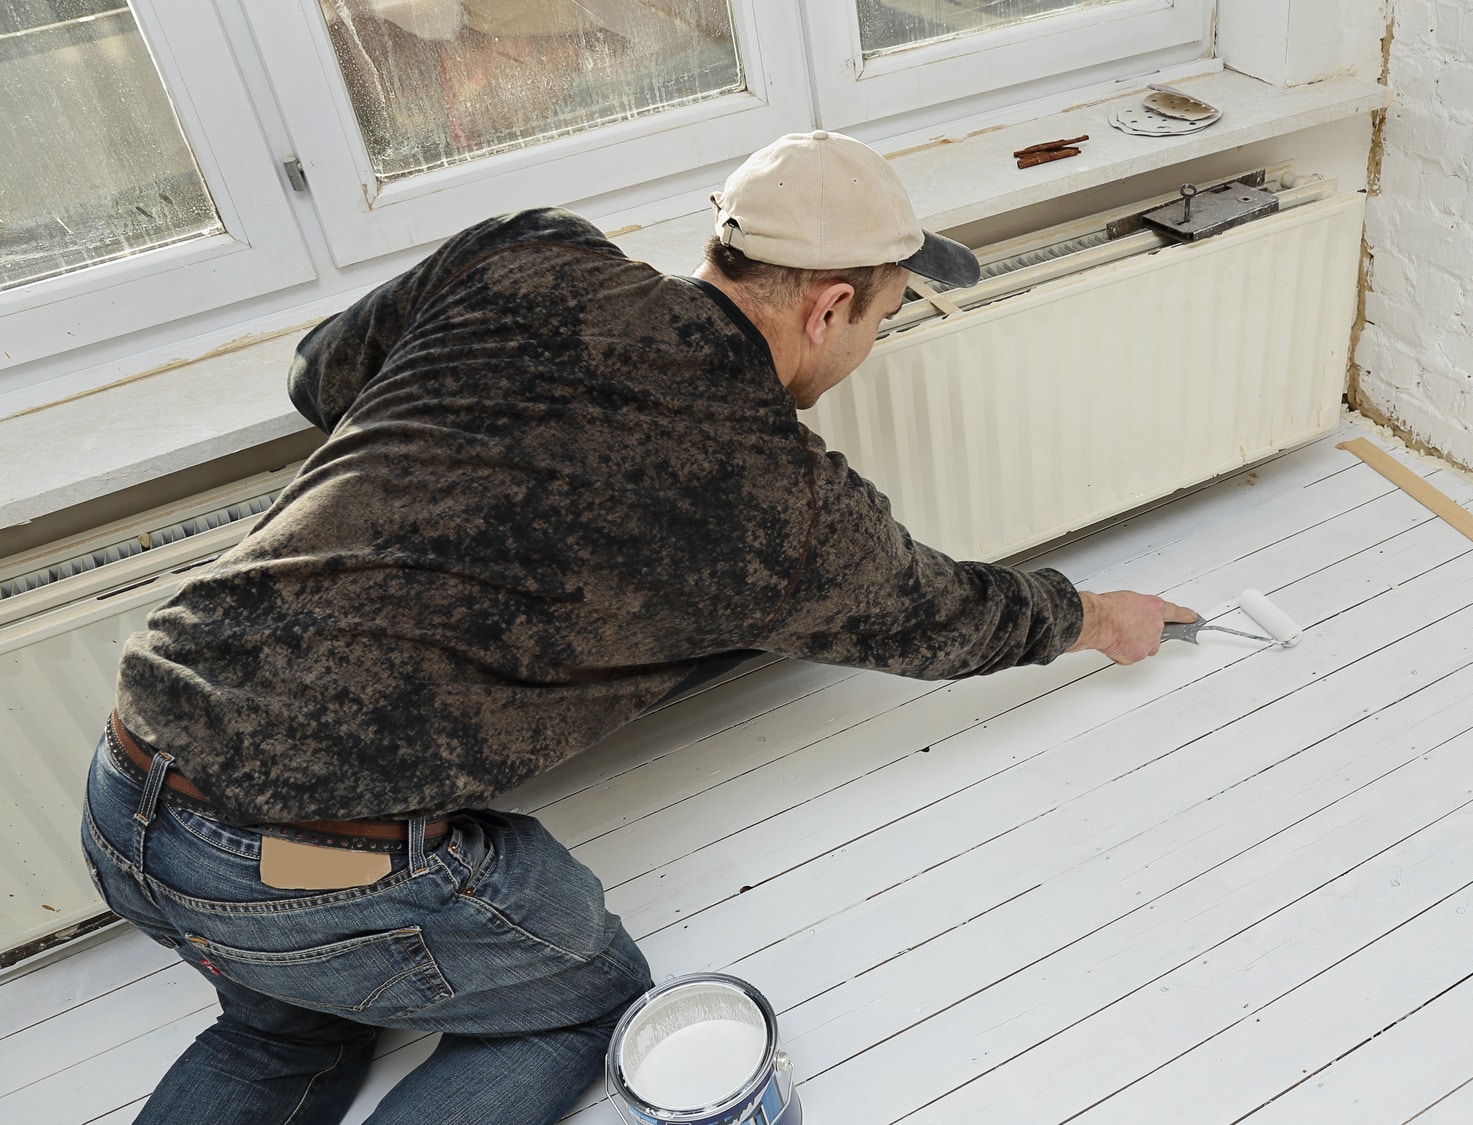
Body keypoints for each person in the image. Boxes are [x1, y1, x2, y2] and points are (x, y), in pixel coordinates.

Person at [81, 130, 1195, 1123]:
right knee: (583, 1007)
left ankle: (288, 989)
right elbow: (948, 620)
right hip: (301, 869)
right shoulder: (781, 504)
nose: (867, 350)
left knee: (288, 1021)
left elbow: (320, 377)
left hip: (130, 775)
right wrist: (1098, 616)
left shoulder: (527, 253)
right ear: (828, 309)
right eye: (885, 318)